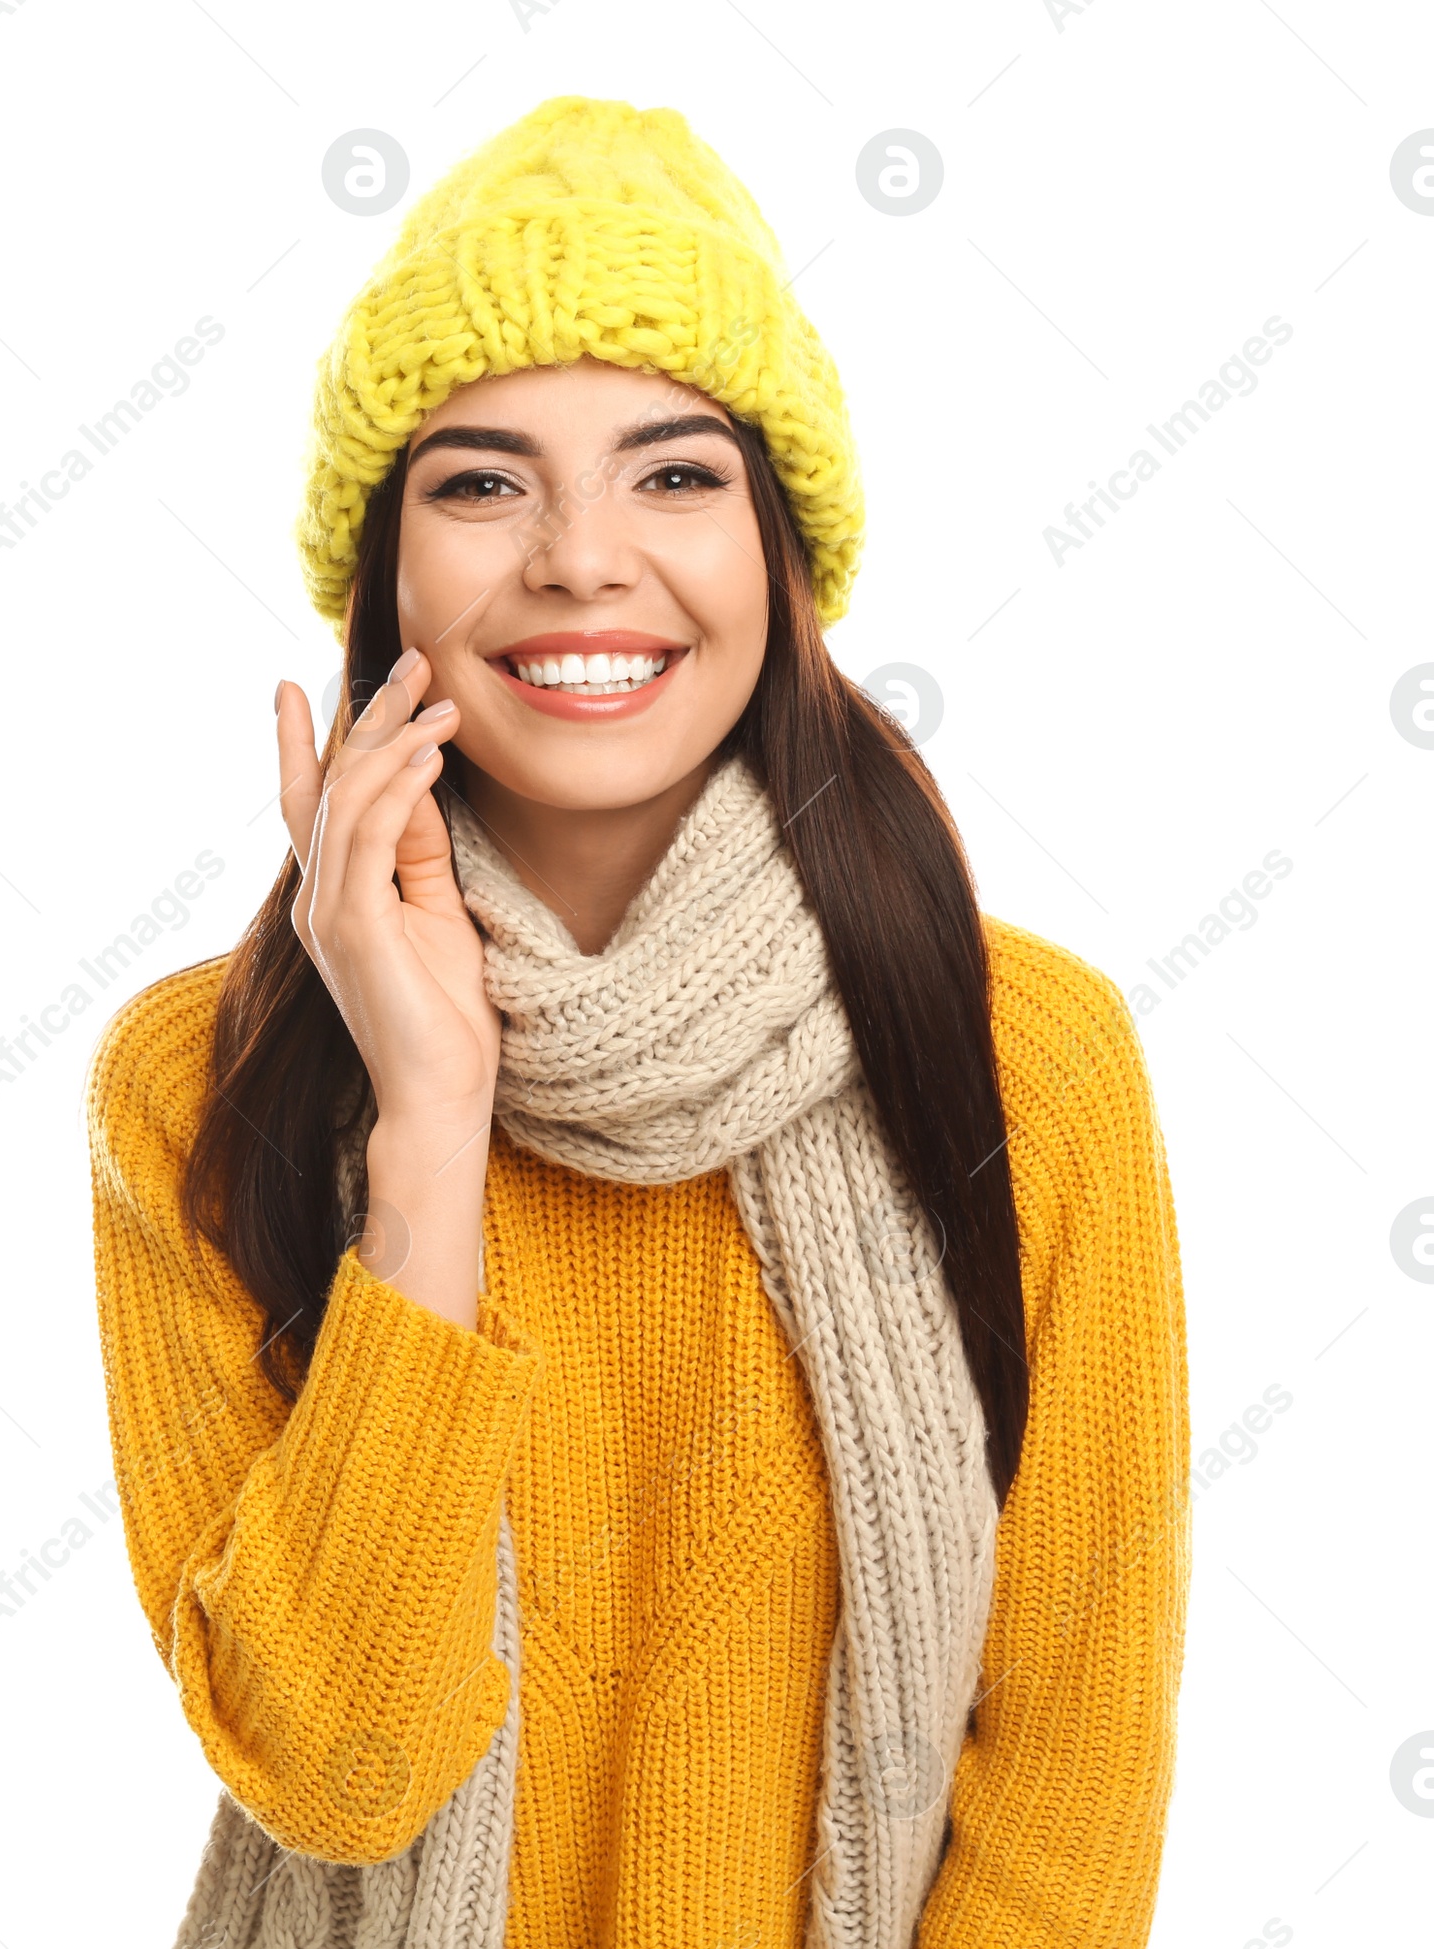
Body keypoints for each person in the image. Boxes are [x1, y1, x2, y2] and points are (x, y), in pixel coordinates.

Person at [86, 94, 1190, 1949]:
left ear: (785, 556)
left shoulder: (1028, 1063)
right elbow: (339, 1766)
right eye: (482, 479)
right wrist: (429, 1131)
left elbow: (1070, 1803)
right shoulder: (201, 1082)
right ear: (382, 575)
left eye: (674, 475)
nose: (583, 558)